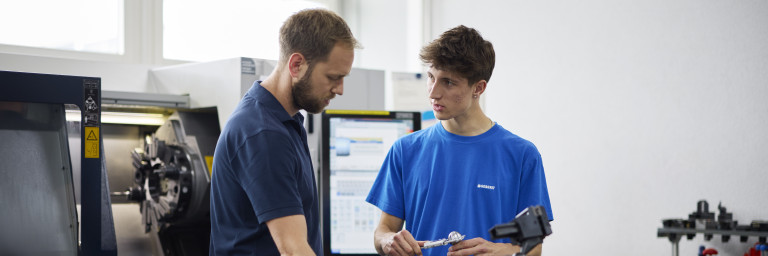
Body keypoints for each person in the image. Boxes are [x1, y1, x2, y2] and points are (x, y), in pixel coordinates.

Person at [366, 25, 553, 256]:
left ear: (479, 88)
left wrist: (501, 251)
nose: (433, 93)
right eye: (431, 78)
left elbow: (533, 247)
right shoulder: (404, 150)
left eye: (448, 82)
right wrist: (387, 241)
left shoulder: (522, 155)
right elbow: (383, 230)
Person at [209, 9, 359, 256]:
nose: (340, 89)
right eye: (333, 77)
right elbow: (293, 249)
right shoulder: (263, 133)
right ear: (297, 64)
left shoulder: (283, 122)